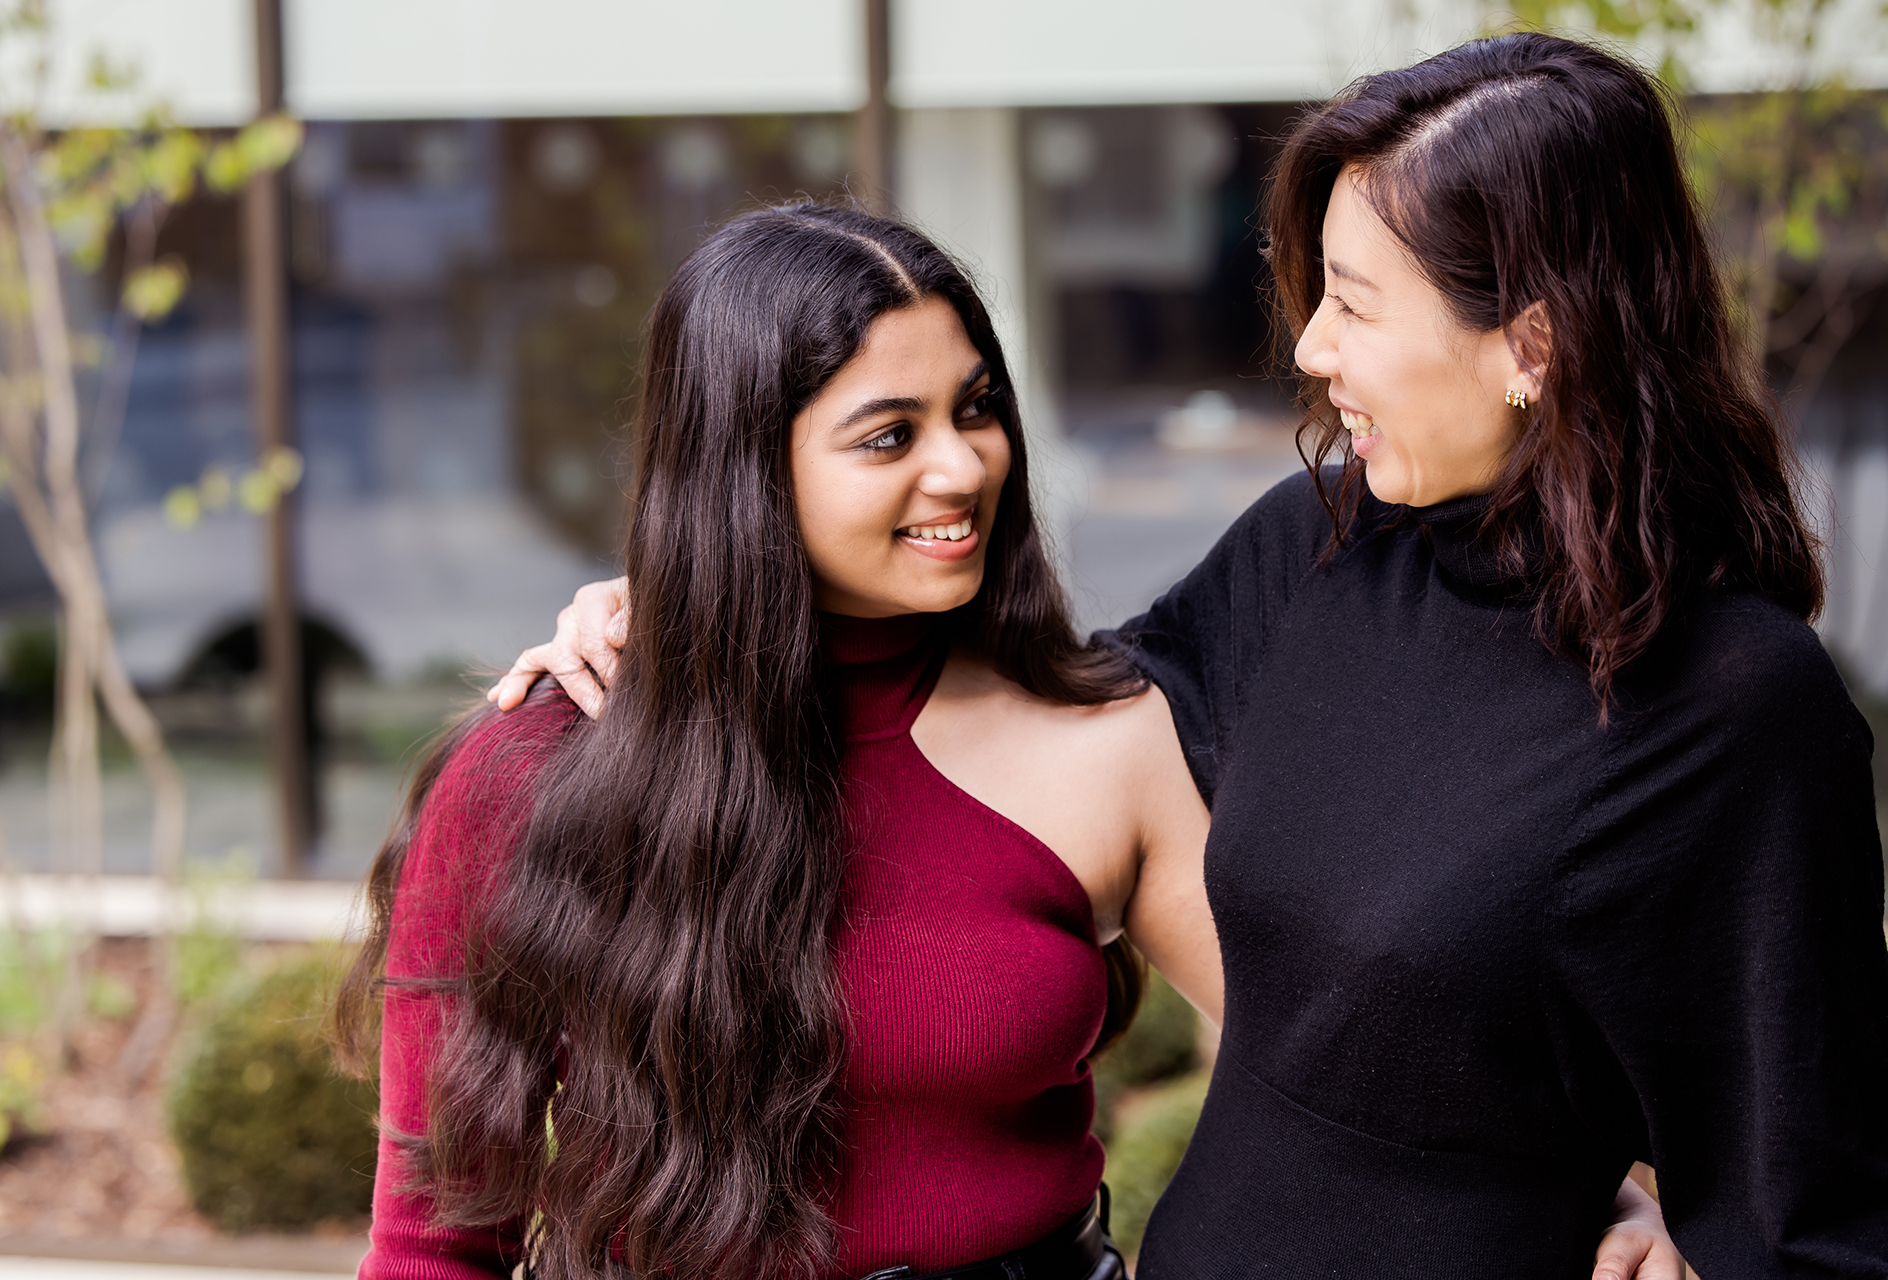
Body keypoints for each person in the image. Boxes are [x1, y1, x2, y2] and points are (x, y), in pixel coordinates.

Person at [496, 31, 1888, 1280]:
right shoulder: (1324, 546)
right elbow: (1036, 715)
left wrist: (1653, 1222)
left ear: (1533, 341)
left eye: (1355, 300)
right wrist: (700, 594)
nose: (1313, 346)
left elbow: (1804, 1192)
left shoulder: (1733, 711)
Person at [349, 203, 1679, 1280]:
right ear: (743, 474)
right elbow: (431, 1245)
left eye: (976, 409)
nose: (964, 468)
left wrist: (1613, 1201)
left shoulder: (1102, 736)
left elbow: (1361, 1052)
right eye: (890, 435)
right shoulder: (527, 778)